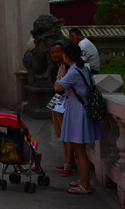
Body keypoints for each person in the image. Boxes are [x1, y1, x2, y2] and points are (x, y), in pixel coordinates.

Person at [55, 42, 102, 195]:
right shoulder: (84, 69)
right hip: (81, 107)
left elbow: (57, 87)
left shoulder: (74, 71)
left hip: (77, 111)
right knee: (80, 150)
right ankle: (83, 180)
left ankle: (85, 185)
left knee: (80, 151)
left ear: (67, 56)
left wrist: (59, 74)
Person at [49, 41, 76, 175]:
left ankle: (69, 164)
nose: (55, 55)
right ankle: (69, 161)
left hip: (66, 102)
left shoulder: (68, 68)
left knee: (67, 134)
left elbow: (60, 87)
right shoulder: (55, 68)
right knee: (61, 134)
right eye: (52, 52)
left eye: (57, 52)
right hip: (57, 101)